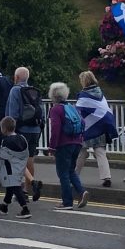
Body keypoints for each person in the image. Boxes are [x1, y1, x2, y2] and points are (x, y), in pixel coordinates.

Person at [47, 82, 90, 211]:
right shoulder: (72, 107)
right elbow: (82, 123)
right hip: (77, 143)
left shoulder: (55, 109)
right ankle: (82, 192)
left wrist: (52, 147)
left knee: (63, 173)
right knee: (71, 170)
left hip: (63, 144)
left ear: (53, 95)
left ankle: (67, 202)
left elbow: (55, 129)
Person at [5, 66, 43, 201]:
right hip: (35, 130)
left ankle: (21, 191)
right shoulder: (34, 91)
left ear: (16, 78)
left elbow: (12, 114)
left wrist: (9, 132)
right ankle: (27, 190)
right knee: (30, 159)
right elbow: (41, 111)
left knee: (15, 161)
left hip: (21, 130)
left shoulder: (15, 91)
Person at [74, 70, 118, 187]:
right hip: (101, 127)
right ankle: (106, 177)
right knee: (100, 152)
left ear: (84, 81)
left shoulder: (83, 96)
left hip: (89, 128)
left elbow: (79, 112)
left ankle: (74, 175)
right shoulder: (100, 93)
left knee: (81, 152)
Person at [0, 117, 31, 219]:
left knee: (15, 188)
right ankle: (4, 206)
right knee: (10, 187)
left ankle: (25, 209)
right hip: (20, 166)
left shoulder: (6, 141)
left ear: (4, 129)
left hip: (10, 168)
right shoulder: (21, 138)